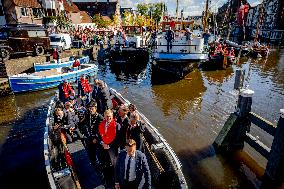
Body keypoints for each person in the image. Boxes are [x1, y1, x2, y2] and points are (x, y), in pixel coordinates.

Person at [97, 109, 121, 187]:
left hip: (112, 149)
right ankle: (107, 179)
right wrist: (102, 143)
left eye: (110, 117)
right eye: (107, 117)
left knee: (114, 165)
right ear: (104, 117)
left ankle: (116, 181)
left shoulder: (117, 125)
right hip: (103, 147)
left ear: (112, 116)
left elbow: (118, 139)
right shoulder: (101, 124)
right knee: (105, 163)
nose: (109, 119)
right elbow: (99, 135)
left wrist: (109, 145)